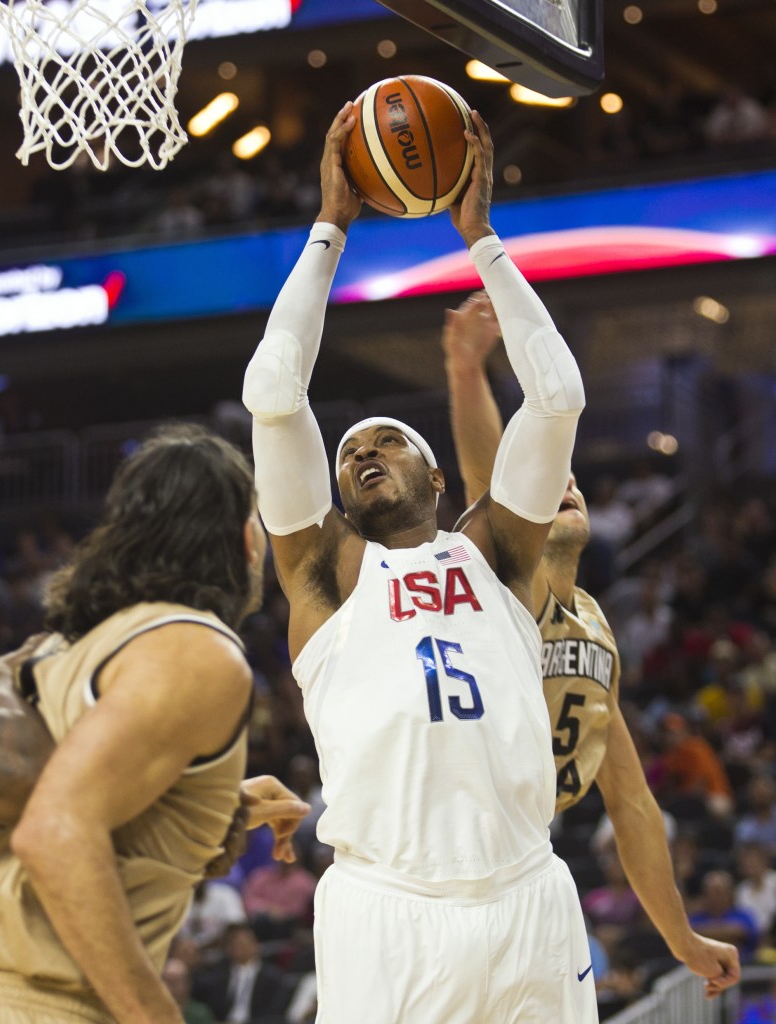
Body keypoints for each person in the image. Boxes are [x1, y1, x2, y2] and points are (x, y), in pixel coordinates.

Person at [243, 103, 594, 1023]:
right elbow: (273, 393)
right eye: (349, 449)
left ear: (436, 474)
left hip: (528, 897)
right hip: (384, 910)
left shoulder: (497, 553)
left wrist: (480, 238)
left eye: (387, 440)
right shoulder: (323, 575)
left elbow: (556, 395)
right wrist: (330, 227)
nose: (362, 452)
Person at [0, 423, 308, 1024]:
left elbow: (3, 851)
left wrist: (215, 804)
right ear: (246, 538)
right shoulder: (199, 650)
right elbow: (55, 832)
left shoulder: (50, 656)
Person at [441, 287, 741, 998]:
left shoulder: (592, 620)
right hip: (446, 865)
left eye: (569, 482)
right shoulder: (500, 583)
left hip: (529, 862)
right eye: (547, 484)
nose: (563, 484)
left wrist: (680, 935)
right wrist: (463, 374)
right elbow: (488, 482)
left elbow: (630, 798)